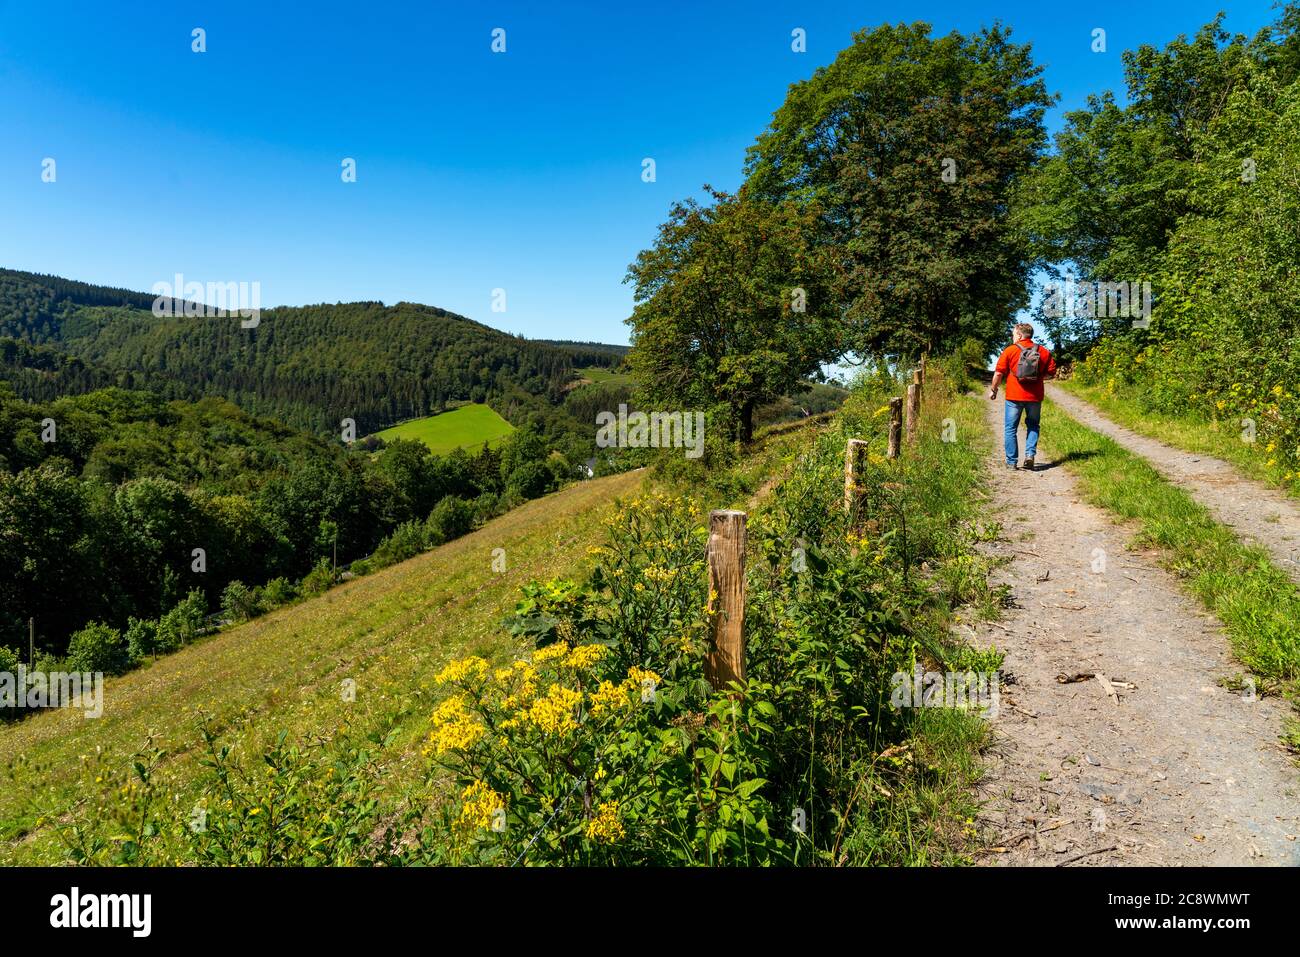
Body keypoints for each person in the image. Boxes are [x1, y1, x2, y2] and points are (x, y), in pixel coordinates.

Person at [989, 323, 1057, 470]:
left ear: (1019, 335)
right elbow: (1052, 372)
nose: (1013, 337)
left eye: (1014, 334)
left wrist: (994, 390)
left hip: (1014, 396)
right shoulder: (1043, 351)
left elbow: (999, 373)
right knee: (1033, 425)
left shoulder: (1010, 350)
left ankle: (1012, 462)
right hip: (1035, 397)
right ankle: (1030, 455)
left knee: (1010, 428)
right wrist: (1038, 378)